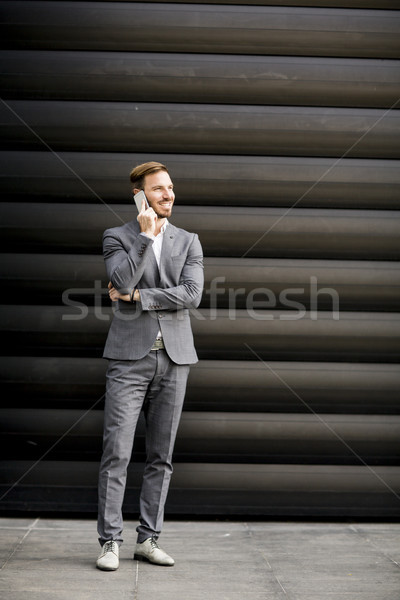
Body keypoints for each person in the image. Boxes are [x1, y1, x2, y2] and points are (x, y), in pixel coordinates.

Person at [96, 161, 204, 570]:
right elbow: (121, 281)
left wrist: (140, 298)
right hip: (128, 360)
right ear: (140, 195)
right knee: (117, 453)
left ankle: (148, 538)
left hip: (175, 359)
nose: (168, 195)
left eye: (171, 188)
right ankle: (110, 542)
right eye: (158, 189)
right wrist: (144, 237)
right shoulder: (117, 237)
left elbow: (192, 294)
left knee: (161, 455)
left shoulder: (189, 240)